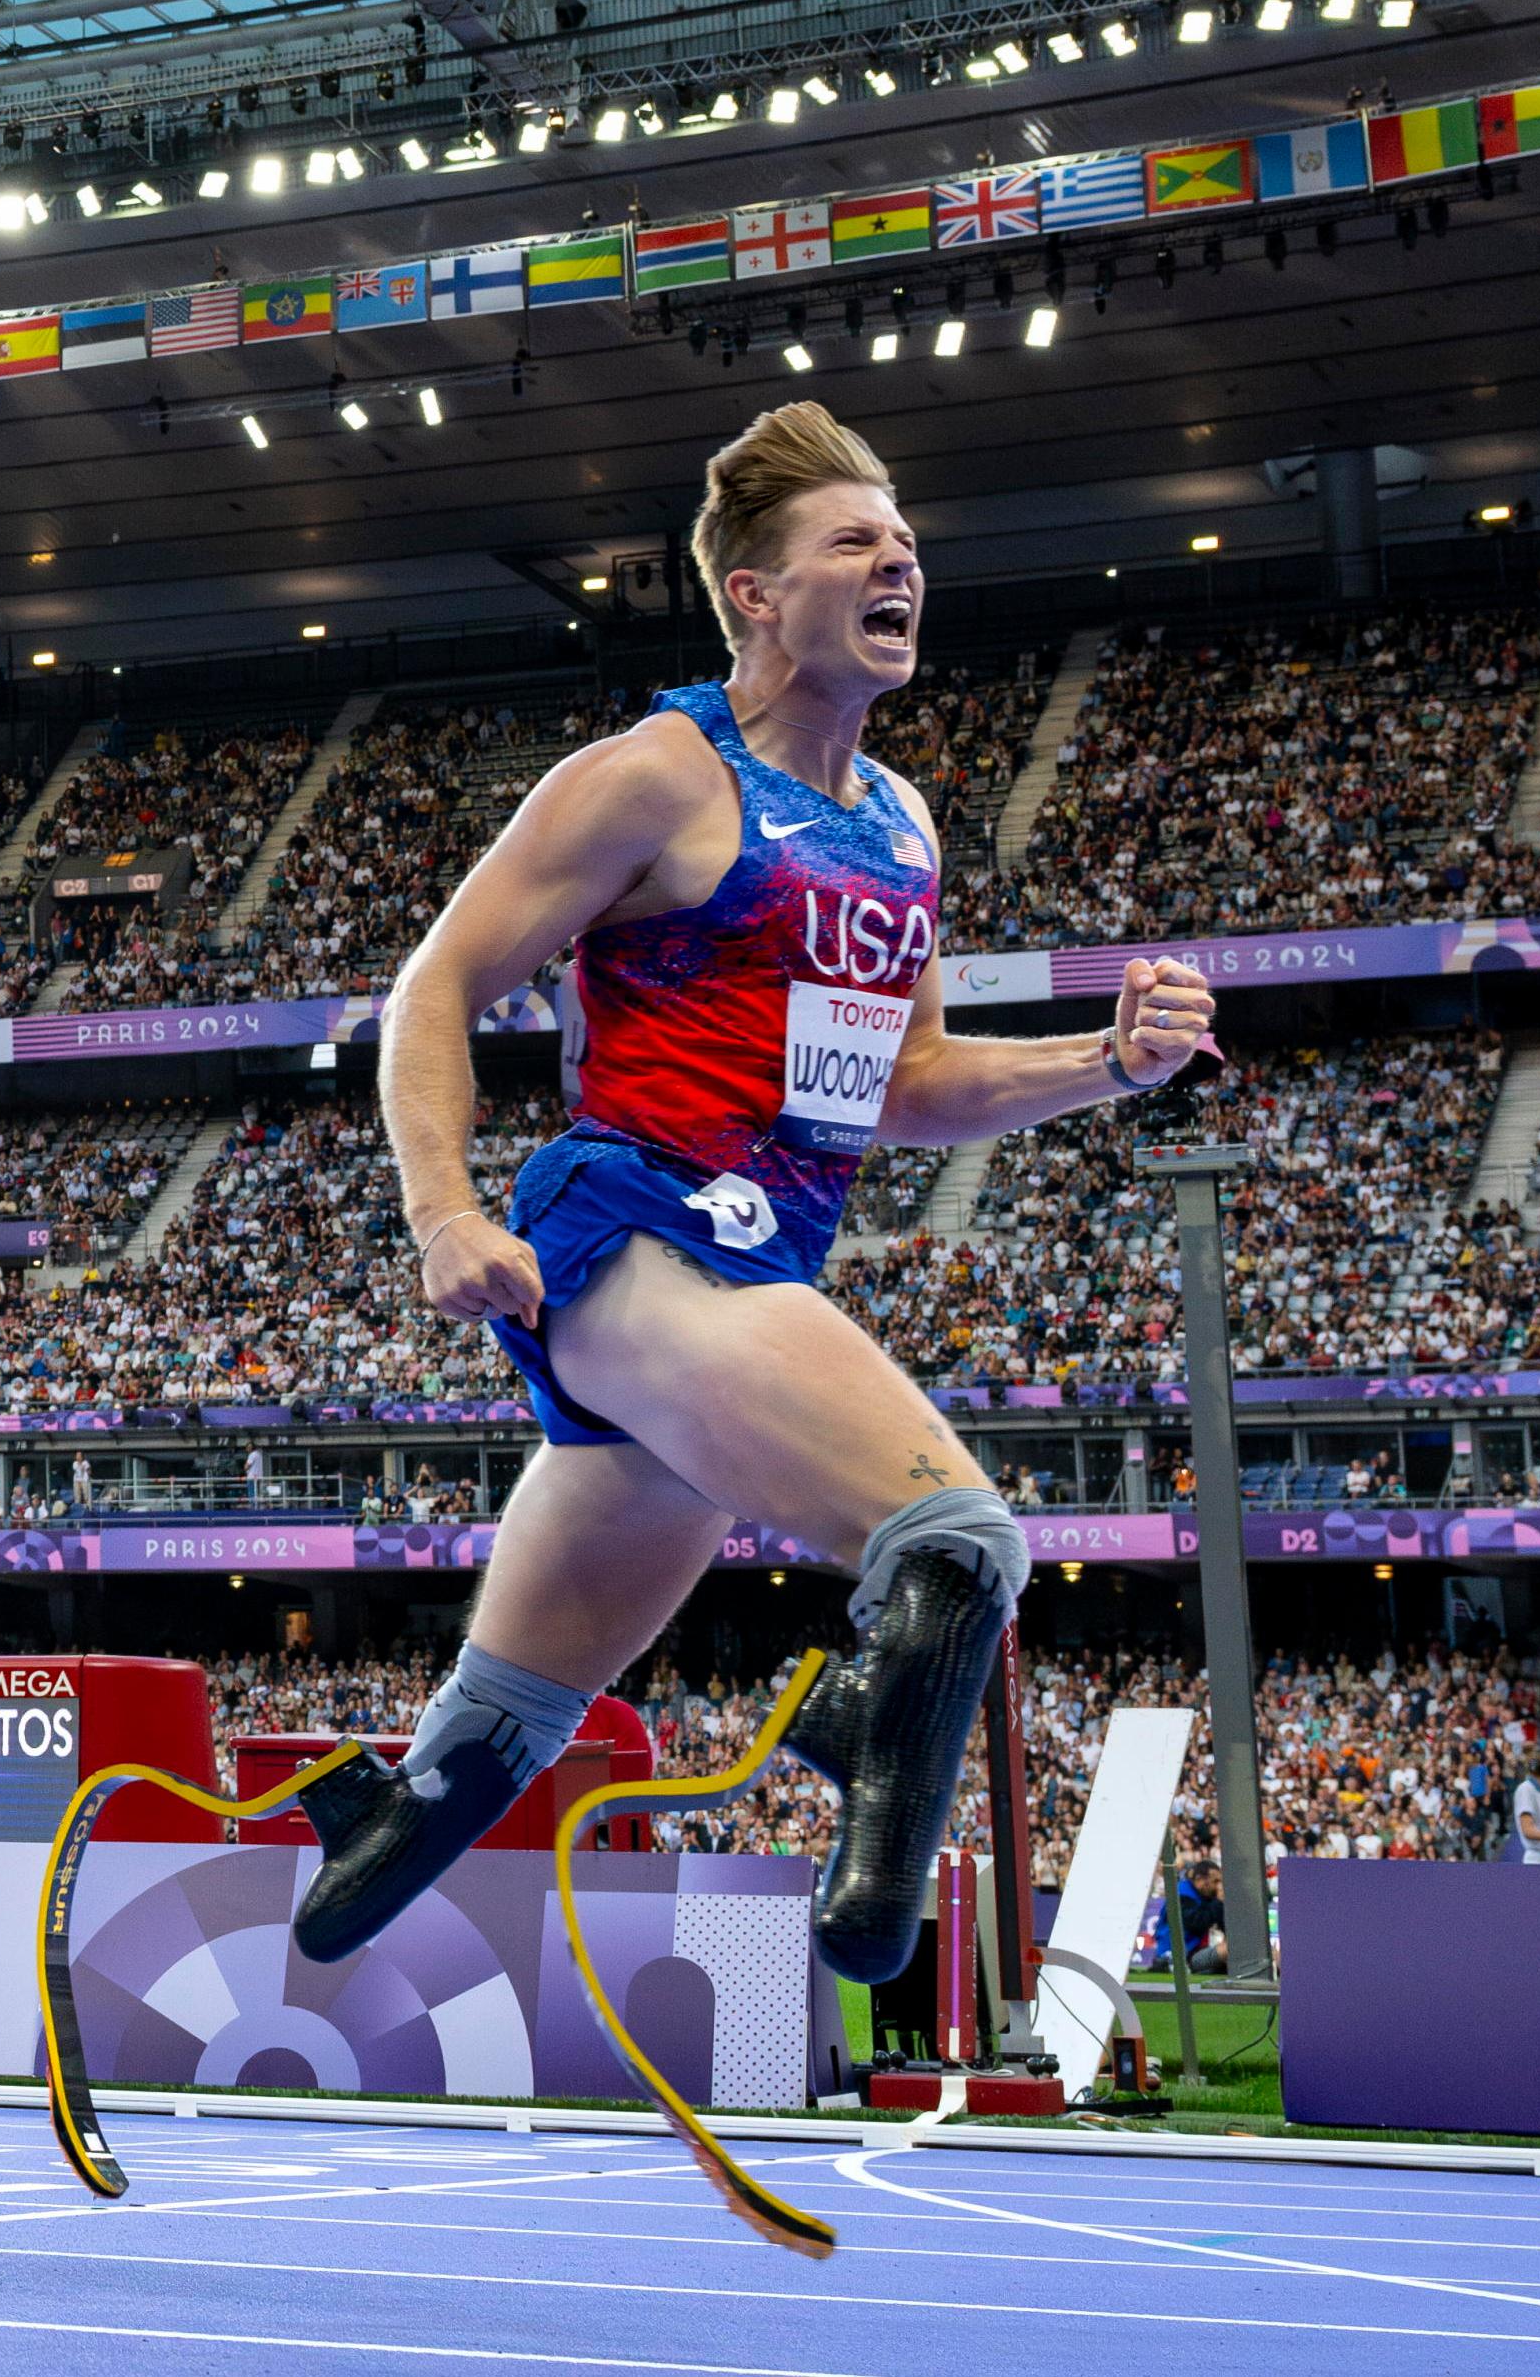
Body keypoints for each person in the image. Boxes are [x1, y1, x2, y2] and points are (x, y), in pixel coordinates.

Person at [297, 404, 1216, 1990]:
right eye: (855, 543)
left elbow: (906, 1082)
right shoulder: (657, 774)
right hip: (633, 1235)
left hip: (745, 1276)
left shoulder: (903, 824)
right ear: (750, 592)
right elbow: (439, 983)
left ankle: (368, 1816)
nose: (899, 565)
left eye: (909, 545)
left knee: (475, 1763)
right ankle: (857, 1714)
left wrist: (1107, 1060)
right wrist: (444, 1210)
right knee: (955, 1548)